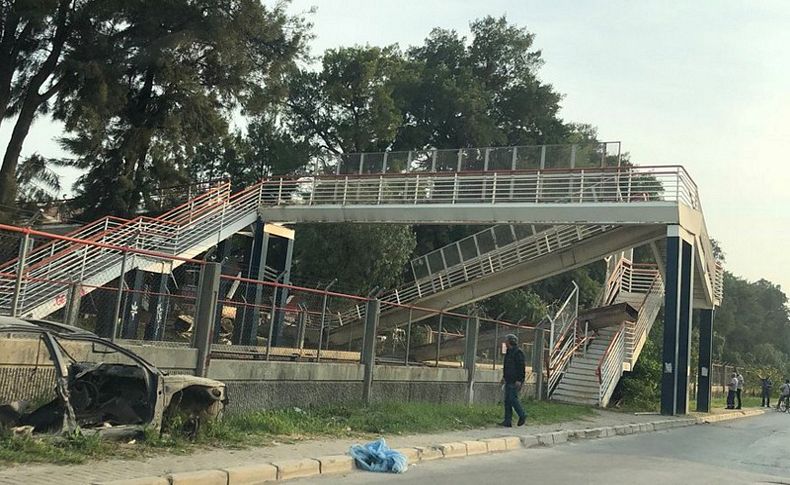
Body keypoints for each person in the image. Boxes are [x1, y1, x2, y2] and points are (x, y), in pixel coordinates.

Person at [499, 333, 527, 427]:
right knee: (507, 401)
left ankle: (522, 415)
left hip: (515, 380)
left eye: (506, 340)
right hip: (508, 379)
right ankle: (507, 421)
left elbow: (521, 367)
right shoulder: (508, 352)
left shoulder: (518, 352)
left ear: (510, 341)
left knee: (513, 399)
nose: (505, 342)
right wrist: (504, 377)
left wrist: (520, 380)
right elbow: (507, 366)